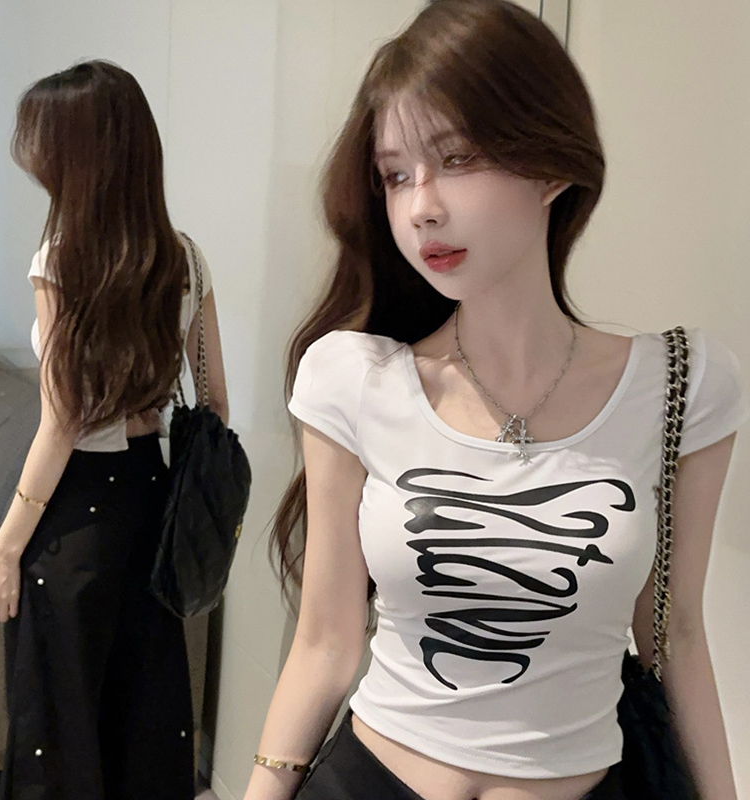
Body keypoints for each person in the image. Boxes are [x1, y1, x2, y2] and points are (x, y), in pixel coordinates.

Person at [245, 2, 748, 799]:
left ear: (551, 165)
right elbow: (325, 643)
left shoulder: (680, 387)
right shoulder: (352, 379)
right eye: (396, 175)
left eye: (456, 158)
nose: (422, 206)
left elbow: (677, 637)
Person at [0, 60, 229, 800]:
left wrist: (2, 552)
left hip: (78, 514)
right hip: (152, 499)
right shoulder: (186, 256)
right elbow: (215, 401)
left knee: (59, 723)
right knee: (142, 713)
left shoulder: (61, 259)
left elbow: (63, 423)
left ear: (77, 156)